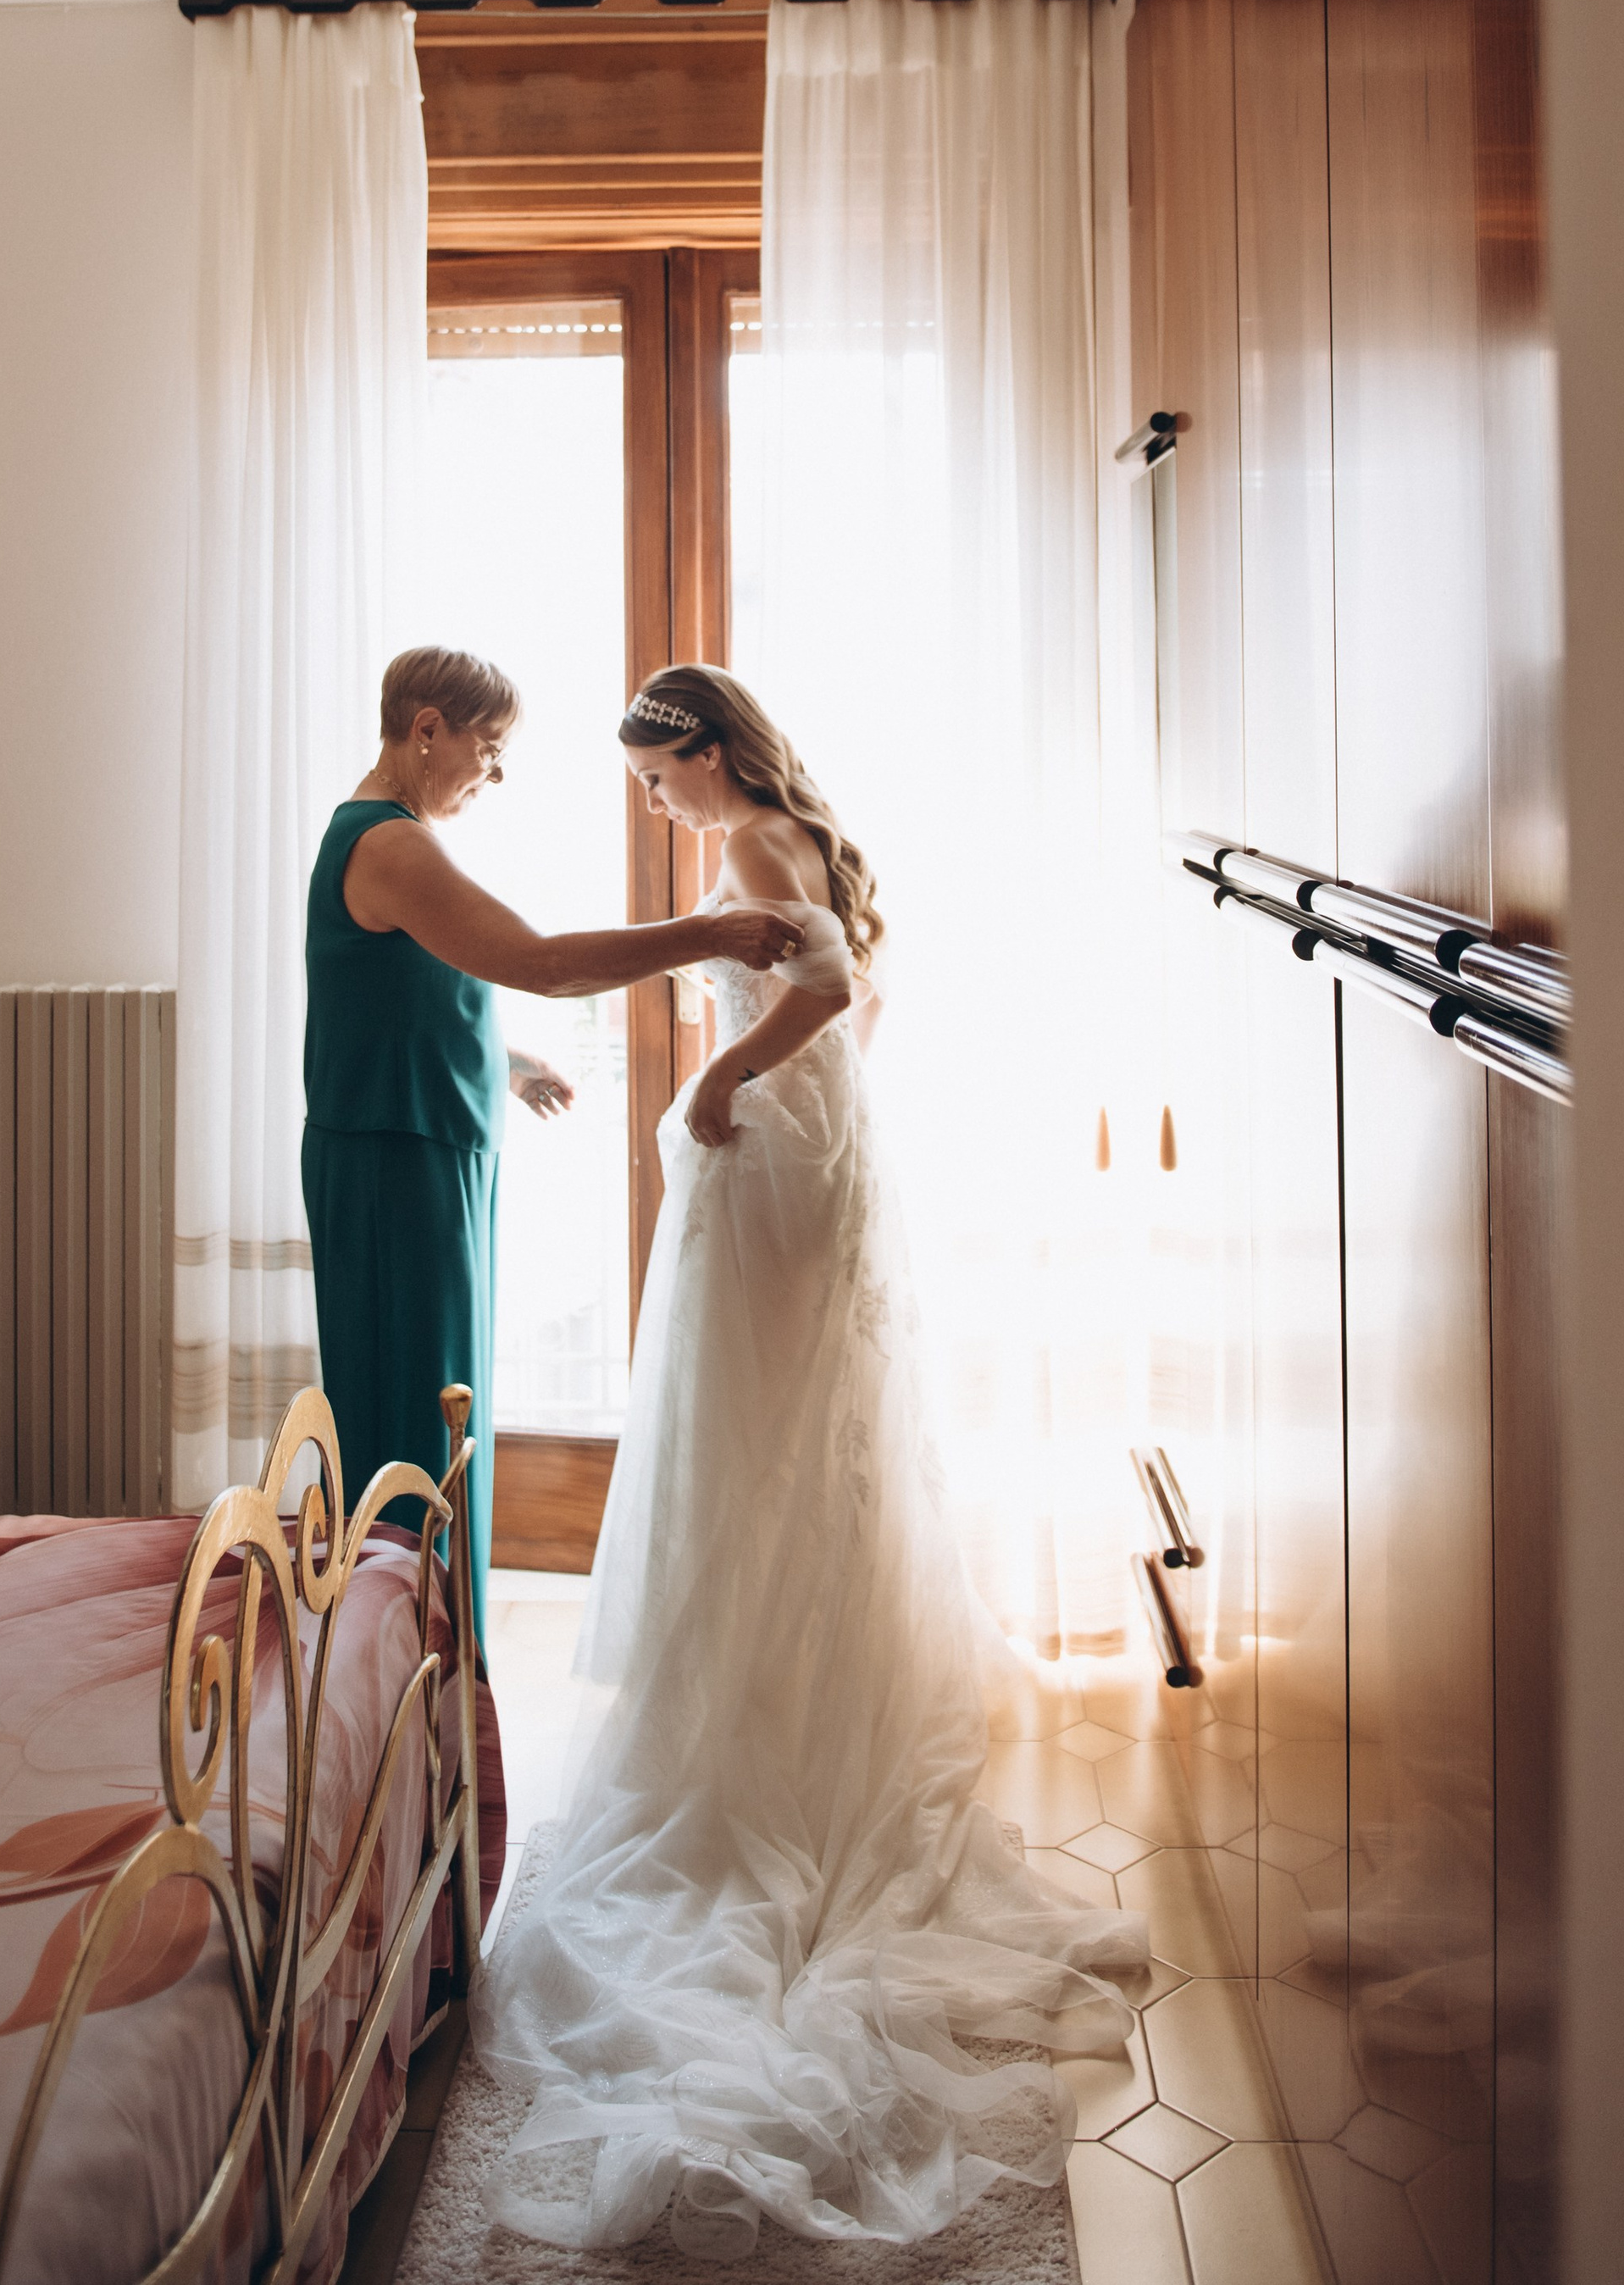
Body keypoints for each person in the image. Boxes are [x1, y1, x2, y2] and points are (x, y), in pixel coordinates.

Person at [474, 663, 1150, 2257]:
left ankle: (766, 1718)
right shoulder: (777, 836)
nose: (656, 803)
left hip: (779, 1150)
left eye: (659, 777)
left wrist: (717, 1070)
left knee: (765, 1437)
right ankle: (773, 1676)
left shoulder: (765, 839)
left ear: (707, 750)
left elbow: (827, 984)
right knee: (773, 1442)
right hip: (800, 1154)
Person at [302, 645, 804, 1644]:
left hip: (428, 1147)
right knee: (414, 1417)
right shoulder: (389, 843)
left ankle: (434, 1666)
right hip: (396, 1161)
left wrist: (504, 1056)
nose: (493, 774)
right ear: (427, 728)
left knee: (443, 1410)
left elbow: (398, 996)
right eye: (487, 750)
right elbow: (539, 961)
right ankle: (410, 1663)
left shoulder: (395, 837)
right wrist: (708, 936)